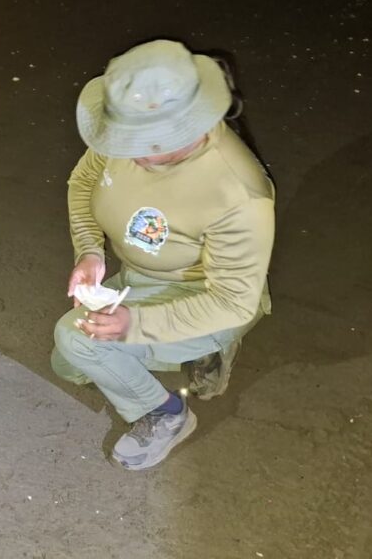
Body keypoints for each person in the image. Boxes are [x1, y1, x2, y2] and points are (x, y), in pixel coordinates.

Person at [51, 39, 275, 471]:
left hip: (205, 298)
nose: (125, 152)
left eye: (144, 145)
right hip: (139, 277)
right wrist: (89, 251)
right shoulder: (125, 136)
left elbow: (232, 300)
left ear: (189, 128)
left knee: (77, 341)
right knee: (67, 365)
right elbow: (82, 184)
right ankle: (174, 354)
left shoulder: (239, 195)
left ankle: (167, 413)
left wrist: (136, 323)